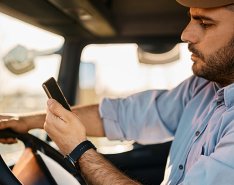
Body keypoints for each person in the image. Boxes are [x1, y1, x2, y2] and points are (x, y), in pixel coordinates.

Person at [1, 0, 234, 184]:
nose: (186, 34)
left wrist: (79, 149)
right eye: (190, 19)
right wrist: (27, 121)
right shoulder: (203, 88)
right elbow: (121, 116)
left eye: (205, 23)